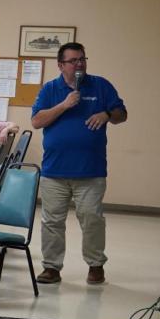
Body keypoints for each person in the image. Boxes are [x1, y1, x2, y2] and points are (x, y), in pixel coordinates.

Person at [30, 42, 127, 285]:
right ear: (61, 65)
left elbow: (121, 114)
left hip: (90, 170)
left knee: (91, 218)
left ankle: (95, 265)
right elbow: (37, 121)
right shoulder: (50, 89)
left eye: (82, 59)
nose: (79, 64)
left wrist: (106, 114)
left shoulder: (101, 85)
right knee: (52, 221)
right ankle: (51, 268)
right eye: (73, 60)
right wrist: (64, 105)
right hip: (55, 170)